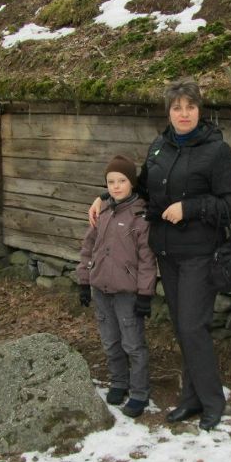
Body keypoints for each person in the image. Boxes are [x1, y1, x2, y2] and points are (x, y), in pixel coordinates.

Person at [89, 79, 231, 431]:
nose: (183, 113)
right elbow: (140, 188)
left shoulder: (217, 151)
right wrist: (104, 196)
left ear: (199, 110)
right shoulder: (160, 147)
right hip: (167, 253)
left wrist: (189, 208)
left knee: (192, 326)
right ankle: (190, 398)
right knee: (182, 326)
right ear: (169, 112)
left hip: (200, 252)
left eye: (190, 107)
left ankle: (211, 400)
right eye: (177, 107)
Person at [77, 155, 157, 418]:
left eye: (122, 181)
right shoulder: (104, 212)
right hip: (101, 289)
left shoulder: (140, 217)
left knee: (132, 343)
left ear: (132, 183)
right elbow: (88, 248)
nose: (116, 186)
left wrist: (145, 293)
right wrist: (84, 280)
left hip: (128, 293)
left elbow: (147, 260)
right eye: (111, 182)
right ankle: (119, 382)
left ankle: (138, 391)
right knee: (110, 341)